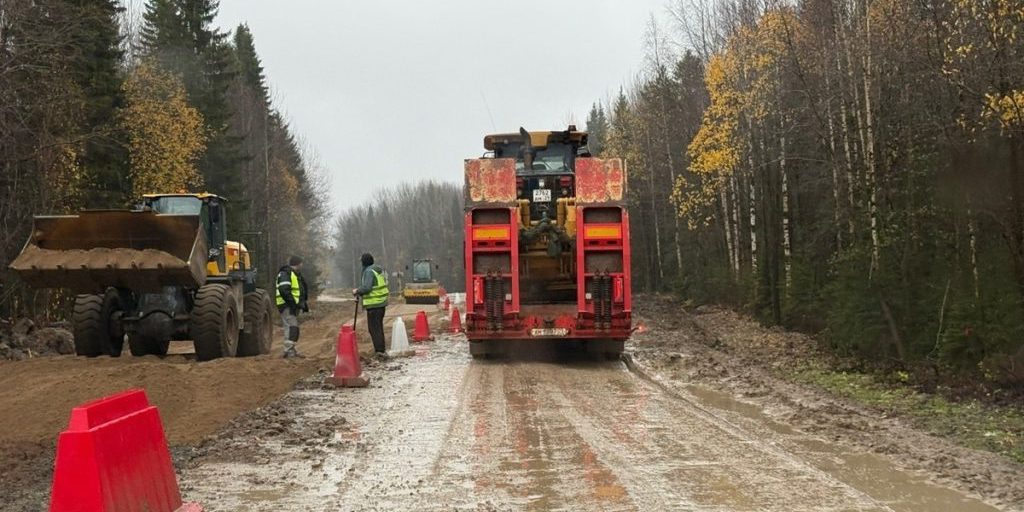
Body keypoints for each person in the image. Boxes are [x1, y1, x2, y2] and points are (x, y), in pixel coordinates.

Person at [353, 252, 389, 355]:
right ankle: (381, 350)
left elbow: (367, 287)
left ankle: (379, 352)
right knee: (378, 328)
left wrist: (357, 291)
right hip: (380, 304)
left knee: (374, 329)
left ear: (364, 262)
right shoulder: (377, 270)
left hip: (374, 305)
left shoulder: (368, 271)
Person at [276, 255, 309, 358]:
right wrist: (293, 304)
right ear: (298, 264)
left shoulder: (294, 274)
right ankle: (288, 351)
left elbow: (298, 291)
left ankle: (291, 350)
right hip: (286, 305)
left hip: (291, 305)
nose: (302, 265)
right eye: (301, 263)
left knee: (293, 327)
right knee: (291, 327)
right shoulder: (286, 273)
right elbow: (284, 290)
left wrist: (302, 305)